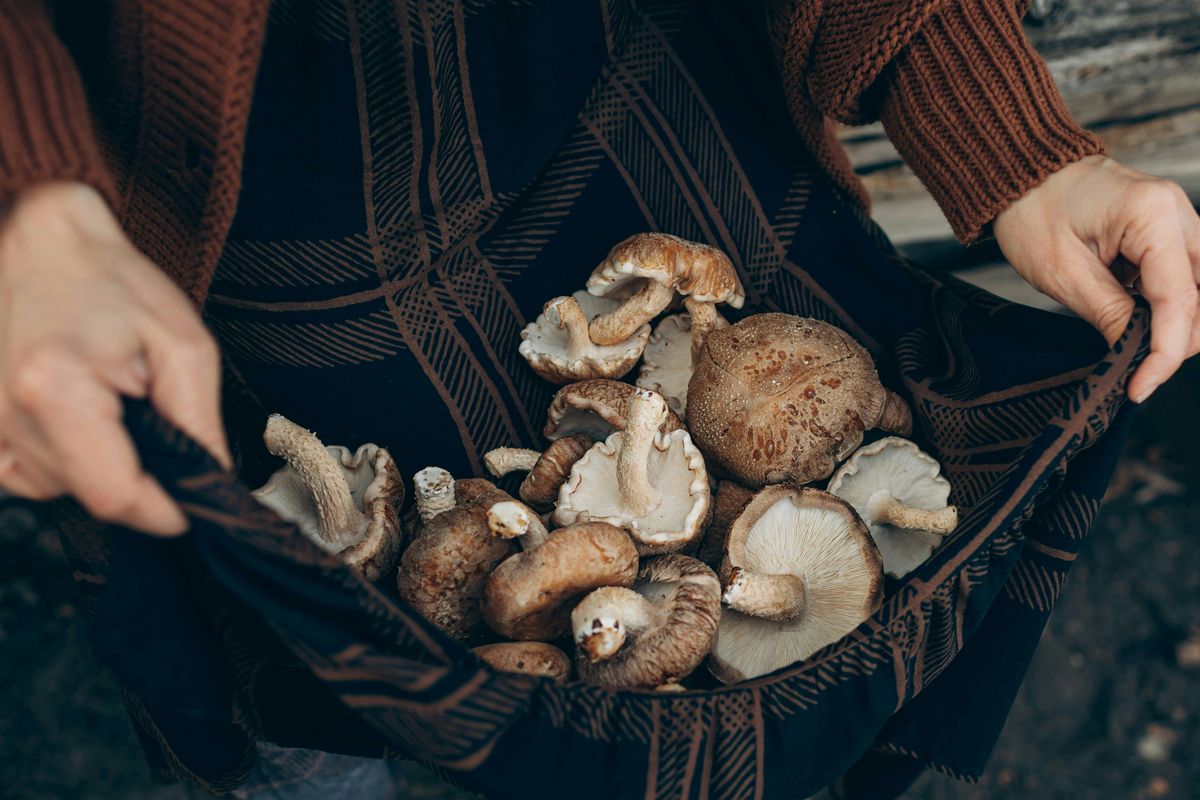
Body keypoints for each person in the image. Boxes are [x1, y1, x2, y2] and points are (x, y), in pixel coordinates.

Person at [0, 0, 1196, 796]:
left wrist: (1000, 126)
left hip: (630, 101)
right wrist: (26, 206)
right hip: (233, 238)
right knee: (294, 664)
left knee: (767, 694)